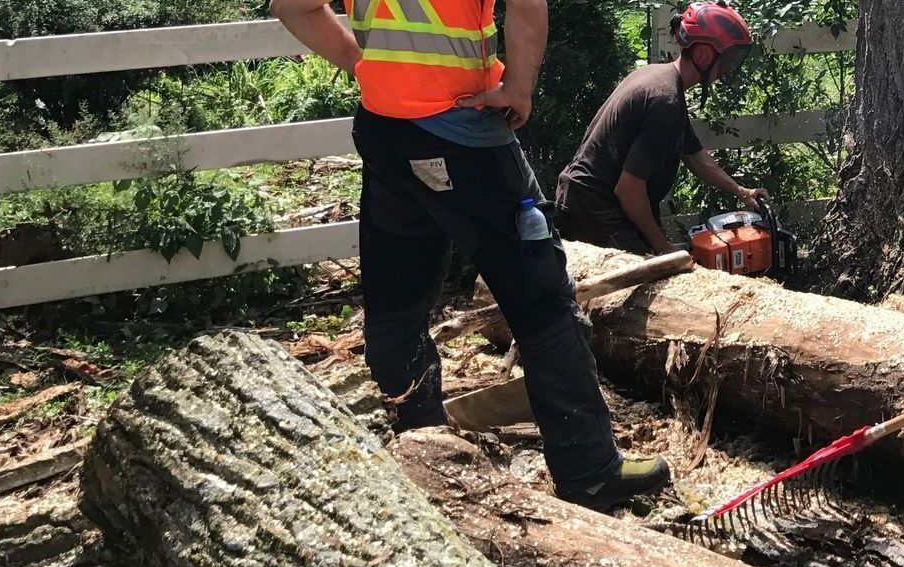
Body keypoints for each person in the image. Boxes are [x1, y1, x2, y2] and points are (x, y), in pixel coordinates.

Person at [269, 0, 669, 510]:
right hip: (464, 132)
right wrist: (519, 88)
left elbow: (292, 7)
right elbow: (525, 6)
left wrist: (363, 65)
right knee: (543, 299)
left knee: (397, 298)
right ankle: (589, 468)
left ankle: (422, 446)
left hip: (386, 133)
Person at [555, 1, 770, 255]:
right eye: (729, 58)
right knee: (659, 277)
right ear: (704, 54)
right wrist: (663, 248)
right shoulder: (664, 102)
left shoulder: (663, 81)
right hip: (595, 213)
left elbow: (696, 158)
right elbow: (629, 190)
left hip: (590, 204)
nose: (729, 68)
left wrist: (741, 192)